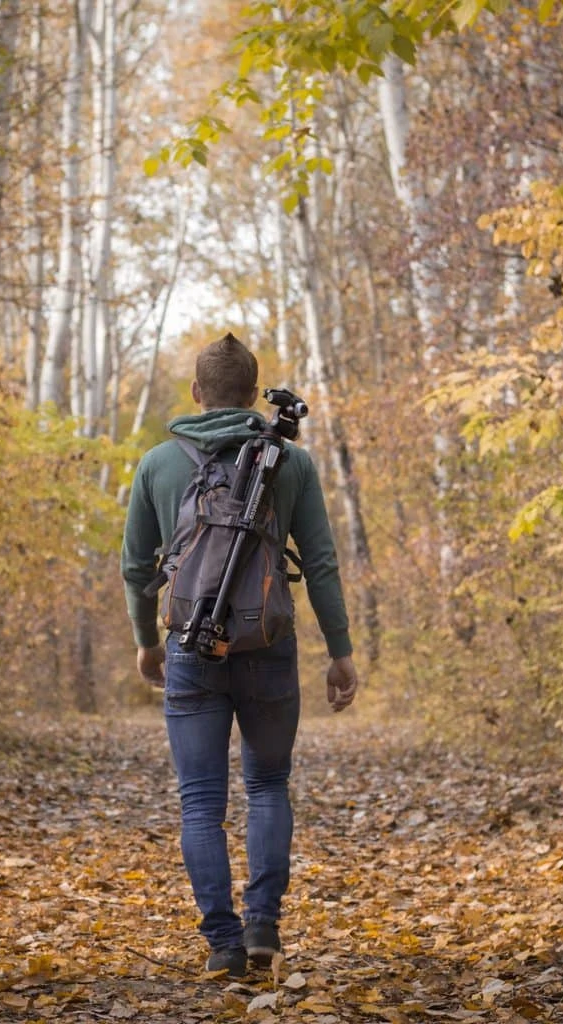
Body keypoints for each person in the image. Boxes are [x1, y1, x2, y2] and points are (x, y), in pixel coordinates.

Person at [121, 333, 360, 979]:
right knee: (266, 786)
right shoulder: (289, 462)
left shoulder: (157, 465)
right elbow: (322, 563)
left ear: (196, 394)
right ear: (255, 396)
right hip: (269, 646)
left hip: (191, 649)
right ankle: (263, 930)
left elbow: (136, 567)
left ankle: (222, 944)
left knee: (201, 801)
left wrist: (148, 641)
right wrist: (339, 652)